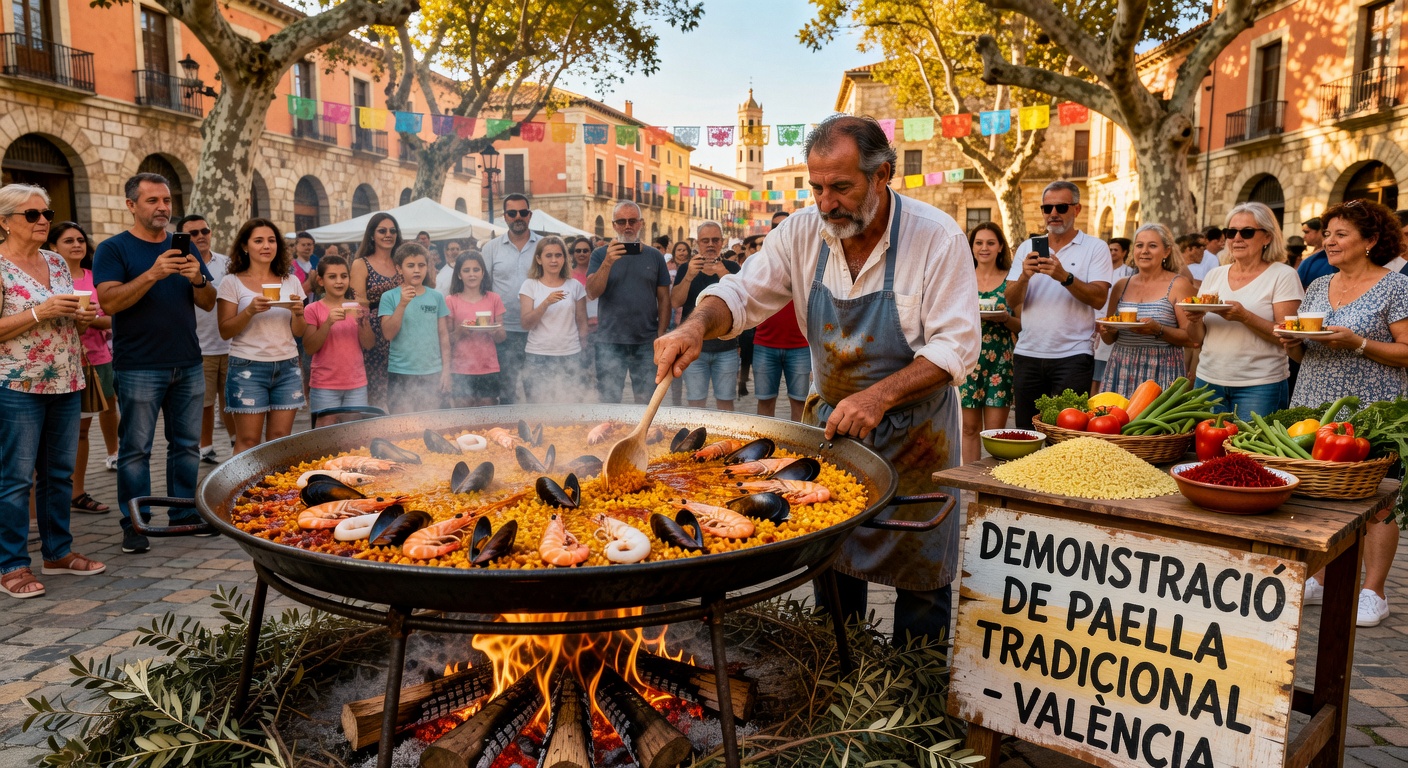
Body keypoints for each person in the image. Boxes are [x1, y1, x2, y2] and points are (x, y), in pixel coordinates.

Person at [654, 115, 981, 645]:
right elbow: (741, 294)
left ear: (883, 176)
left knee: (922, 575)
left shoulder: (936, 237)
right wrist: (695, 326)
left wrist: (879, 395)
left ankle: (913, 692)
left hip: (919, 436)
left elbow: (956, 347)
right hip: (835, 431)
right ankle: (837, 675)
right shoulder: (801, 232)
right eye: (817, 187)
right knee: (834, 560)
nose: (827, 203)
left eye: (842, 188)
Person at [1280, 199, 1406, 627]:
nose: (1329, 241)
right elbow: (1304, 343)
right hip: (1314, 401)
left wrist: (1357, 342)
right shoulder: (1318, 285)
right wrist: (1291, 342)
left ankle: (1374, 591)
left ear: (1371, 241)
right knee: (1314, 491)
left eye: (1340, 234)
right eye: (1328, 233)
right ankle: (1317, 576)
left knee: (1379, 499)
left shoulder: (1397, 287)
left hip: (1372, 409)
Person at [94, 173, 216, 554]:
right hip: (139, 366)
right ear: (132, 205)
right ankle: (134, 522)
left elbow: (209, 302)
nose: (163, 207)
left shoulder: (186, 248)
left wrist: (198, 279)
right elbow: (110, 303)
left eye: (166, 200)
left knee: (185, 447)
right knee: (135, 449)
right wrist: (152, 274)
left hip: (188, 362)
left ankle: (182, 516)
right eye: (152, 201)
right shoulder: (113, 249)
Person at [0, 184, 105, 598]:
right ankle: (11, 563)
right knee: (15, 479)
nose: (43, 220)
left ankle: (57, 552)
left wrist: (83, 316)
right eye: (32, 215)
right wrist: (39, 311)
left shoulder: (57, 261)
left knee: (59, 474)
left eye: (46, 213)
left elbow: (72, 324)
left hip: (67, 378)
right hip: (17, 383)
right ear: (5, 221)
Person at [1005, 180, 1112, 430]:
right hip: (1028, 354)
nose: (1053, 214)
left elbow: (1098, 298)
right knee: (1026, 432)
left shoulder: (1095, 248)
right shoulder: (1027, 248)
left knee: (1066, 436)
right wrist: (1024, 276)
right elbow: (1011, 300)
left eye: (1061, 207)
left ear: (1077, 209)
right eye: (1047, 208)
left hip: (1073, 356)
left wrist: (1064, 276)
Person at [1185, 202, 1304, 417]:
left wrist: (1245, 317)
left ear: (1267, 236)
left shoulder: (1283, 275)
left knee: (1250, 450)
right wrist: (1194, 320)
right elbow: (1197, 339)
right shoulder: (1215, 275)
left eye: (1247, 232)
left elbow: (1289, 337)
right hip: (1208, 381)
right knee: (1207, 451)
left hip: (1260, 385)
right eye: (1231, 232)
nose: (1236, 238)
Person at [216, 218, 307, 454]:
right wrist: (249, 311)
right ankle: (244, 492)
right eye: (259, 241)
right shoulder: (232, 282)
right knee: (247, 442)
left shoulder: (292, 281)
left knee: (279, 440)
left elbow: (299, 331)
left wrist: (298, 314)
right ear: (245, 246)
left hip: (287, 366)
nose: (266, 246)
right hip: (247, 366)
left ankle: (273, 491)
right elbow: (225, 330)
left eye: (271, 240)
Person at [48, 221, 111, 513]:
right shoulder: (46, 279)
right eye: (68, 240)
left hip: (95, 361)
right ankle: (47, 499)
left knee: (82, 431)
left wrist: (88, 318)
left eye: (80, 240)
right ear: (52, 247)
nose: (76, 245)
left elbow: (113, 319)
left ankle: (77, 492)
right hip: (55, 364)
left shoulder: (96, 278)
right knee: (56, 434)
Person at [587, 200, 671, 404]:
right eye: (622, 221)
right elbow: (591, 292)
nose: (627, 226)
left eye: (632, 221)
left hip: (645, 342)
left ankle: (644, 436)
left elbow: (664, 299)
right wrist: (608, 262)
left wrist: (660, 335)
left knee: (646, 401)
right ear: (614, 225)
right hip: (610, 341)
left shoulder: (654, 256)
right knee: (609, 400)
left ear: (641, 223)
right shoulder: (600, 255)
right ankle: (610, 436)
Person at [1098, 224, 1197, 393]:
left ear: (1166, 251)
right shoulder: (1121, 286)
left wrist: (1158, 329)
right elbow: (1108, 339)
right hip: (1121, 366)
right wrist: (1107, 330)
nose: (1144, 251)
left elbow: (1191, 338)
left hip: (1162, 369)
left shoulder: (1178, 285)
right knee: (1117, 418)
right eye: (1139, 245)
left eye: (1152, 246)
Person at [960, 222, 1020, 463]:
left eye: (990, 243)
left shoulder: (1011, 281)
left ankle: (991, 489)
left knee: (995, 436)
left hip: (1001, 363)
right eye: (979, 243)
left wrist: (1006, 319)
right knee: (969, 429)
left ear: (1000, 247)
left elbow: (1021, 325)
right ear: (972, 247)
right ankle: (972, 488)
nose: (984, 248)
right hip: (967, 361)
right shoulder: (961, 278)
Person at [177, 214, 235, 464]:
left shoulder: (228, 263)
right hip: (199, 346)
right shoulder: (177, 265)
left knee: (231, 400)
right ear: (182, 238)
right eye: (193, 233)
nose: (200, 236)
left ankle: (237, 443)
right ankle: (206, 447)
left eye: (205, 231)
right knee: (205, 403)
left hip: (232, 344)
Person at [672, 222, 741, 410]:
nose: (710, 244)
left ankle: (727, 440)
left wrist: (725, 275)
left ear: (722, 242)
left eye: (715, 240)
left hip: (726, 347)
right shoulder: (687, 268)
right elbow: (675, 302)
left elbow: (743, 302)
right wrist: (688, 276)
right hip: (695, 348)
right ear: (697, 243)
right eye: (705, 240)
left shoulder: (732, 267)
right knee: (695, 402)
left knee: (726, 402)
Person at [379, 242, 451, 414]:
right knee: (403, 426)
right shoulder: (390, 297)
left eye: (421, 265)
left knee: (429, 423)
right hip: (400, 371)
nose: (417, 270)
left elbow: (443, 336)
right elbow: (388, 334)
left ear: (427, 267)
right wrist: (403, 304)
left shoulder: (436, 297)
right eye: (410, 266)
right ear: (399, 269)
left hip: (432, 372)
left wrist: (446, 371)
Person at [484, 194, 541, 404]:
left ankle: (541, 432)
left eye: (523, 212)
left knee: (536, 391)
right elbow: (484, 288)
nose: (518, 217)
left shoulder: (543, 246)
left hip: (537, 331)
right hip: (503, 332)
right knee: (506, 391)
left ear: (530, 215)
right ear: (504, 217)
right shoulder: (491, 248)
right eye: (512, 213)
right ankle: (508, 435)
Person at [520, 237, 588, 402]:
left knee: (569, 405)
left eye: (558, 255)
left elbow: (582, 322)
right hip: (538, 356)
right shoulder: (530, 285)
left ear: (565, 259)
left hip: (570, 354)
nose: (554, 260)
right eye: (548, 255)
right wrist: (546, 303)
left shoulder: (575, 286)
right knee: (537, 407)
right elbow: (526, 323)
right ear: (539, 259)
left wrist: (584, 354)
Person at [304, 255, 375, 410]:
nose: (339, 281)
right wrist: (328, 323)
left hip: (356, 383)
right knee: (324, 432)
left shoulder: (357, 307)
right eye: (332, 277)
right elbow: (309, 348)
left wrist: (363, 322)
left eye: (344, 276)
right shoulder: (312, 309)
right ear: (321, 281)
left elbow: (369, 344)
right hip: (324, 385)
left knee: (354, 433)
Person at [350, 213, 403, 409]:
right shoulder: (361, 264)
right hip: (372, 332)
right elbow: (360, 305)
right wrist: (367, 334)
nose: (388, 234)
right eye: (382, 231)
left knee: (400, 392)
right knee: (376, 394)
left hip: (400, 329)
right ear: (372, 235)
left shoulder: (402, 263)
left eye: (392, 231)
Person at [446, 251, 506, 406]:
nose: (471, 275)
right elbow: (447, 340)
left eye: (476, 270)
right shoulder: (451, 300)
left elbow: (502, 337)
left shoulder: (494, 298)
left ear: (483, 273)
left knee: (488, 416)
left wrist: (495, 332)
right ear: (459, 275)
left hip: (488, 367)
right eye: (466, 270)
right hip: (460, 368)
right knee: (463, 416)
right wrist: (459, 332)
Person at [1093, 236, 1135, 392]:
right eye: (1109, 249)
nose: (1111, 253)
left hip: (1116, 323)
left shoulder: (1128, 274)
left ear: (1124, 252)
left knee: (1107, 368)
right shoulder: (1101, 269)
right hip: (1097, 321)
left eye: (1115, 250)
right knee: (1095, 372)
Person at [1296, 217, 1334, 288]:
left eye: (1307, 232)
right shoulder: (1314, 254)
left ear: (1320, 231)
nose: (1304, 236)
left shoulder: (1329, 254)